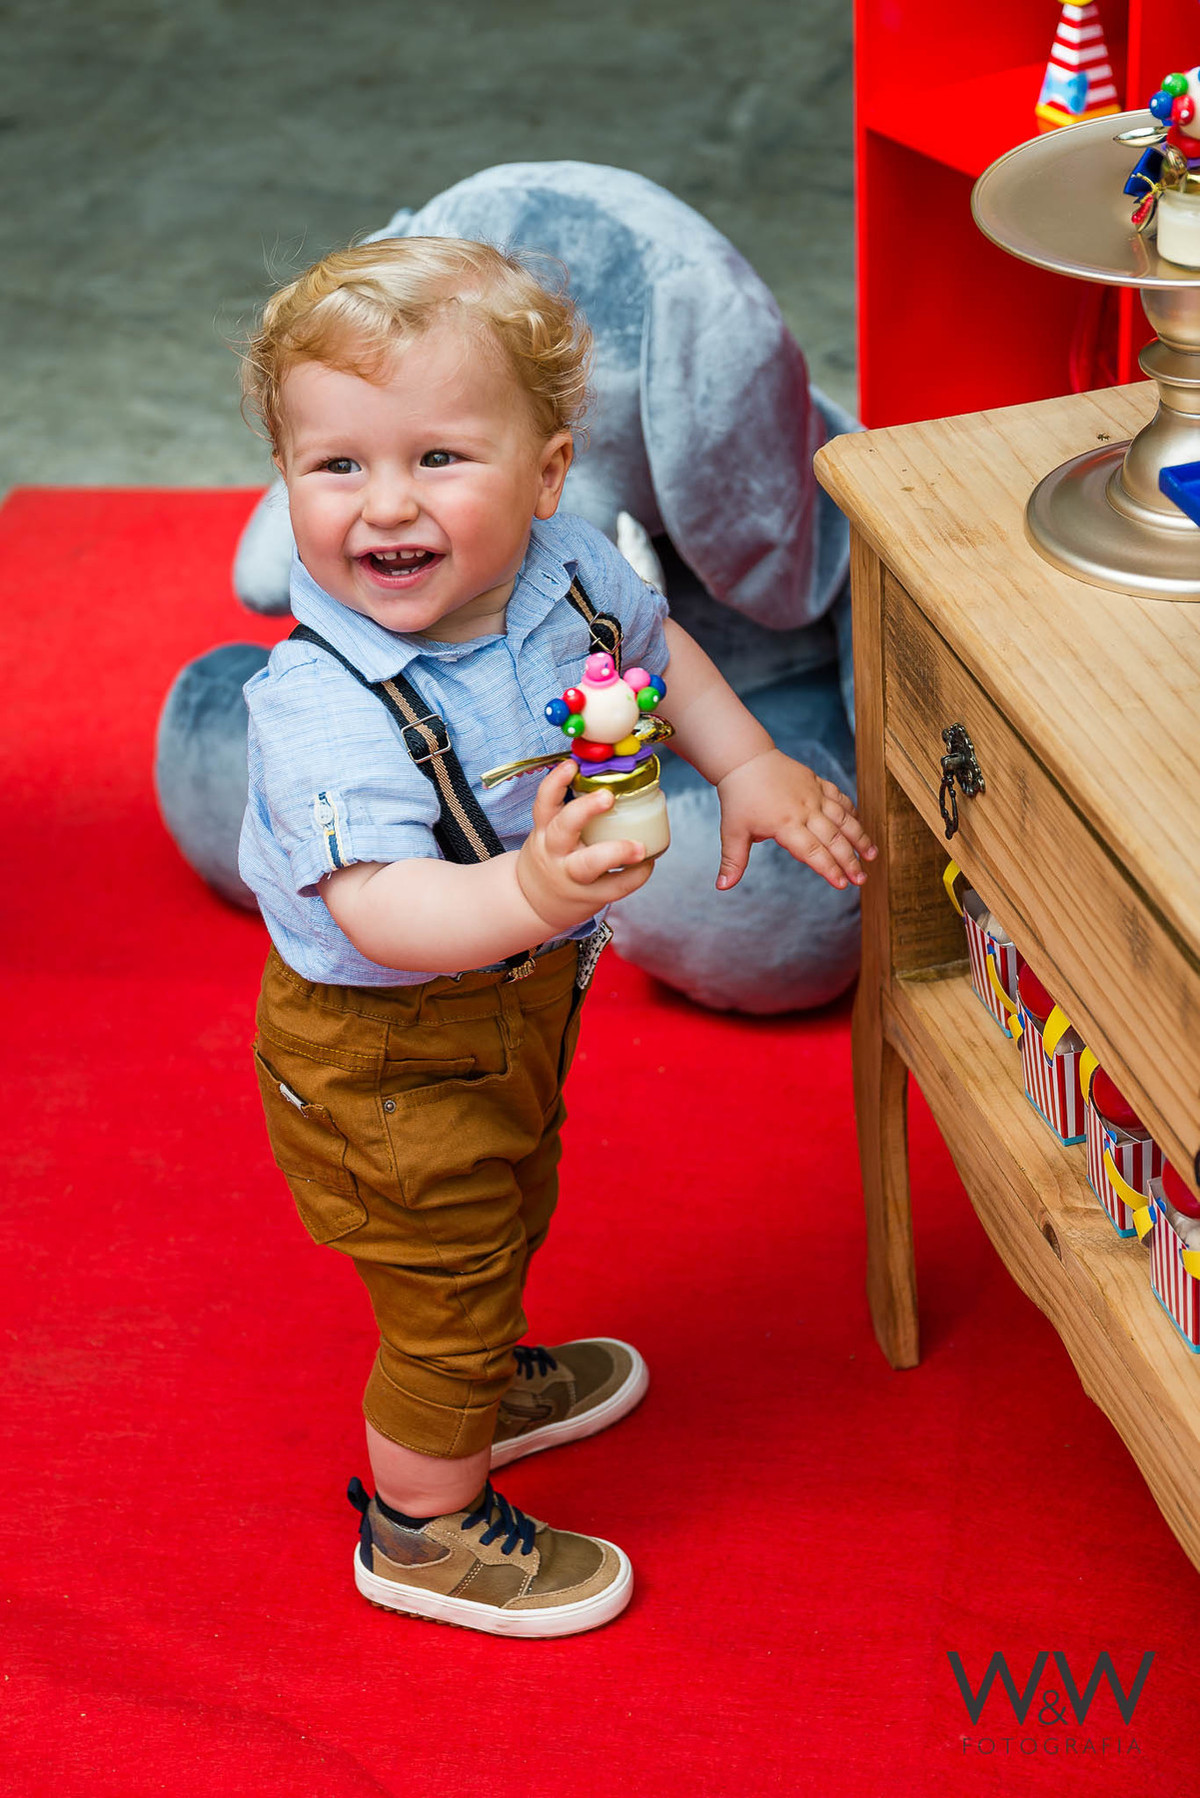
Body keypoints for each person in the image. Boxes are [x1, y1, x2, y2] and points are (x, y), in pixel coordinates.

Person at [238, 237, 876, 1639]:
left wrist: (752, 762)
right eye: (334, 464)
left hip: (515, 1004)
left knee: (516, 1192)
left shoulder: (566, 570)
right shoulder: (325, 702)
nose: (384, 505)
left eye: (440, 459)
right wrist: (532, 895)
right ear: (282, 479)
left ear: (544, 476)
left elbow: (657, 654)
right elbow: (377, 908)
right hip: (383, 1049)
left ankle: (490, 1380)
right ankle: (422, 1529)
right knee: (445, 1278)